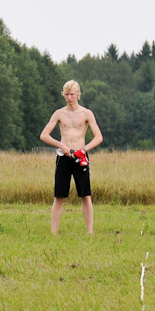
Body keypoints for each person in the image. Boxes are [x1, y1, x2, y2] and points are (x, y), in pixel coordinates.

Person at [39, 80, 103, 234]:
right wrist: (61, 145)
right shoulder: (59, 113)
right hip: (63, 157)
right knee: (59, 195)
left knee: (85, 195)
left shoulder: (86, 114)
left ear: (78, 95)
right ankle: (53, 232)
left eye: (72, 94)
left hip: (80, 157)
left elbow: (99, 137)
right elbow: (44, 135)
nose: (69, 98)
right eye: (66, 95)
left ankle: (90, 232)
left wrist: (84, 149)